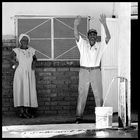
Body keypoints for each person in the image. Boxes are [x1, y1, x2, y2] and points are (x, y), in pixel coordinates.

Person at [74, 14, 111, 123]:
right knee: (82, 94)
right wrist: (75, 25)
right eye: (91, 34)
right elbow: (76, 36)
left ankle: (100, 118)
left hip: (95, 71)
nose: (93, 36)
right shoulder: (83, 44)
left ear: (96, 36)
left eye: (94, 35)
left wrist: (104, 24)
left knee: (98, 95)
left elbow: (108, 38)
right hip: (84, 71)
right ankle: (79, 117)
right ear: (88, 36)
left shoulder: (99, 45)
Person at [11, 33, 38, 118]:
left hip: (29, 73)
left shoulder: (32, 50)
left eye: (26, 40)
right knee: (21, 91)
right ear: (20, 41)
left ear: (28, 41)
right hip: (20, 74)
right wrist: (14, 63)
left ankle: (27, 111)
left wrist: (34, 63)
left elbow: (35, 59)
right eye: (23, 40)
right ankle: (21, 112)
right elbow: (10, 58)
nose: (24, 41)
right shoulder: (16, 51)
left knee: (29, 92)